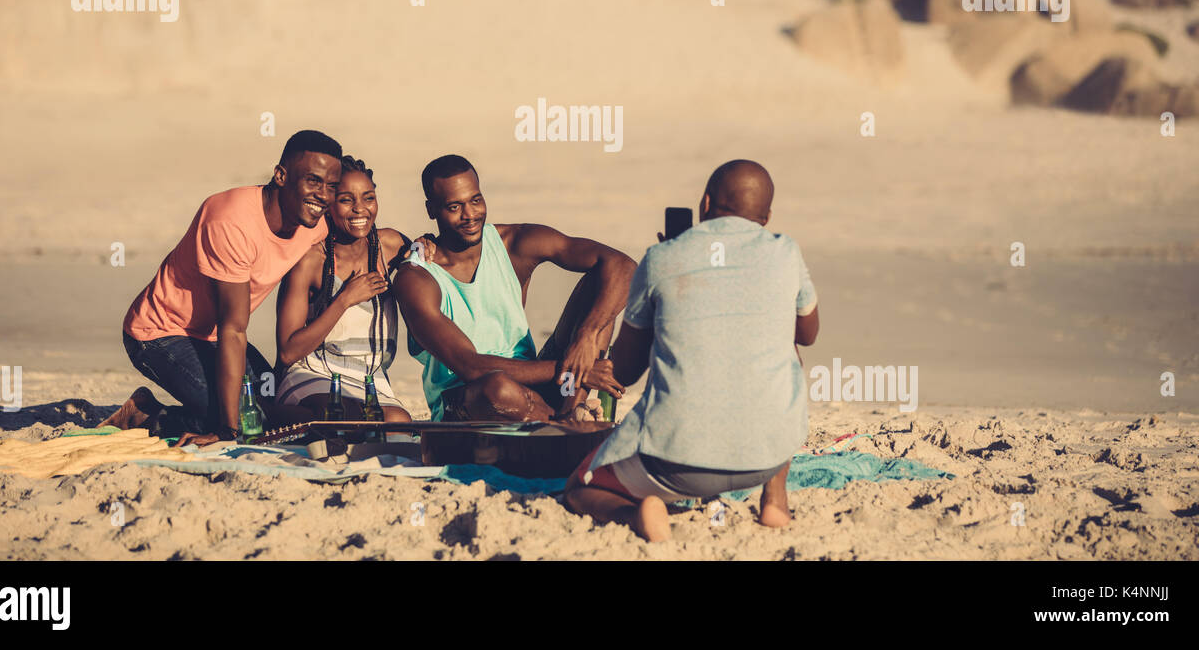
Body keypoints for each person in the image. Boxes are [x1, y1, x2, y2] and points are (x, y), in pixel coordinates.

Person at [563, 159, 820, 542]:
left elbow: (628, 370)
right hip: (766, 456)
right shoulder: (786, 252)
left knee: (579, 487)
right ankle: (775, 499)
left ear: (704, 204)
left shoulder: (662, 258)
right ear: (766, 217)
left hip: (673, 465)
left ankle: (636, 514)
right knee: (785, 349)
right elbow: (809, 334)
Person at [101, 130, 343, 445]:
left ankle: (189, 413)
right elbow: (234, 329)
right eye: (313, 181)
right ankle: (146, 418)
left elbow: (362, 228)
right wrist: (228, 433)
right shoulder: (230, 222)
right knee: (246, 419)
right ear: (281, 175)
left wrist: (416, 249)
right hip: (160, 334)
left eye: (332, 186)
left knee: (275, 408)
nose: (323, 196)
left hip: (215, 336)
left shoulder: (315, 222)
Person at [393, 154, 634, 423]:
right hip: (470, 402)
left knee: (601, 289)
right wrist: (576, 370)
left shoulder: (514, 243)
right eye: (454, 207)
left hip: (541, 386)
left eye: (476, 200)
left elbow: (623, 266)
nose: (470, 215)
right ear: (431, 210)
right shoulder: (416, 278)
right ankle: (565, 424)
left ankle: (572, 411)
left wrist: (586, 337)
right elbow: (470, 365)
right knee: (499, 388)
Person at [273, 155, 416, 423]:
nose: (361, 209)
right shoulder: (311, 261)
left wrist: (426, 244)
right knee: (341, 414)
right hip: (314, 374)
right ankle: (272, 411)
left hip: (371, 379)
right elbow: (288, 352)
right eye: (346, 200)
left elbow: (432, 263)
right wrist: (344, 300)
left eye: (369, 198)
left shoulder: (391, 245)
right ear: (328, 205)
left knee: (399, 422)